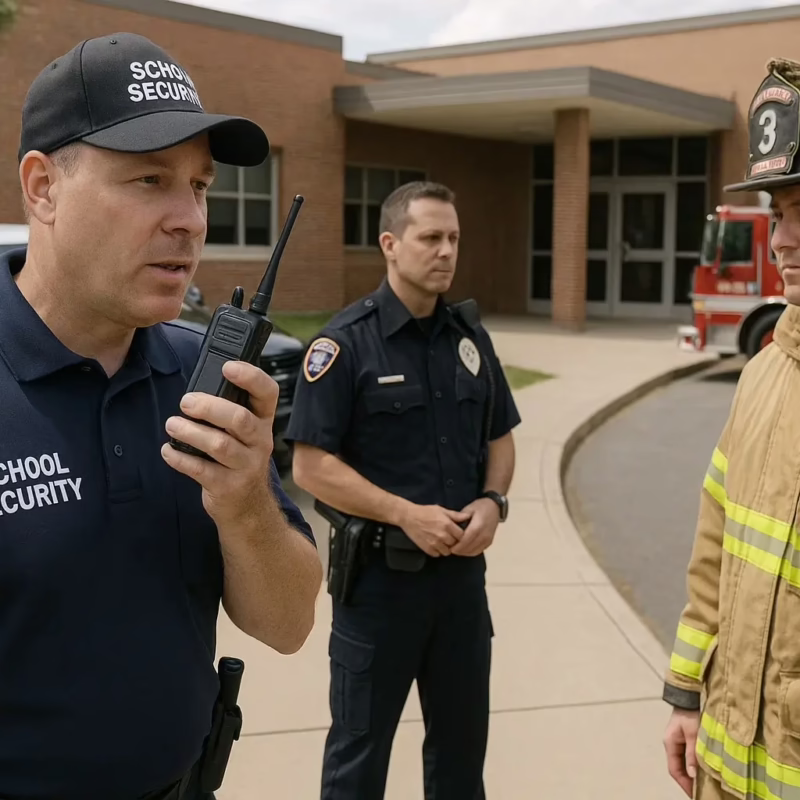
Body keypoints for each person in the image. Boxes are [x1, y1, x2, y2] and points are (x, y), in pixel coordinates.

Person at [2, 32, 322, 800]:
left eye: (200, 186)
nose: (189, 218)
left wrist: (245, 502)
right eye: (149, 180)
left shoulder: (203, 378)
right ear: (43, 188)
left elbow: (287, 625)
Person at [285, 180, 521, 799]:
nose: (446, 251)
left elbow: (501, 438)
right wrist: (405, 514)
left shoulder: (470, 339)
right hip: (380, 592)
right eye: (431, 238)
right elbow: (310, 465)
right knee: (359, 761)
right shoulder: (345, 343)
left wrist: (492, 503)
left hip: (462, 591)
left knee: (461, 759)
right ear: (390, 244)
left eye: (454, 239)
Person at [662, 56, 800, 800]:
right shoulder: (762, 372)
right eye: (779, 213)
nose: (783, 240)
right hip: (725, 758)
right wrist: (688, 692)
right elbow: (714, 546)